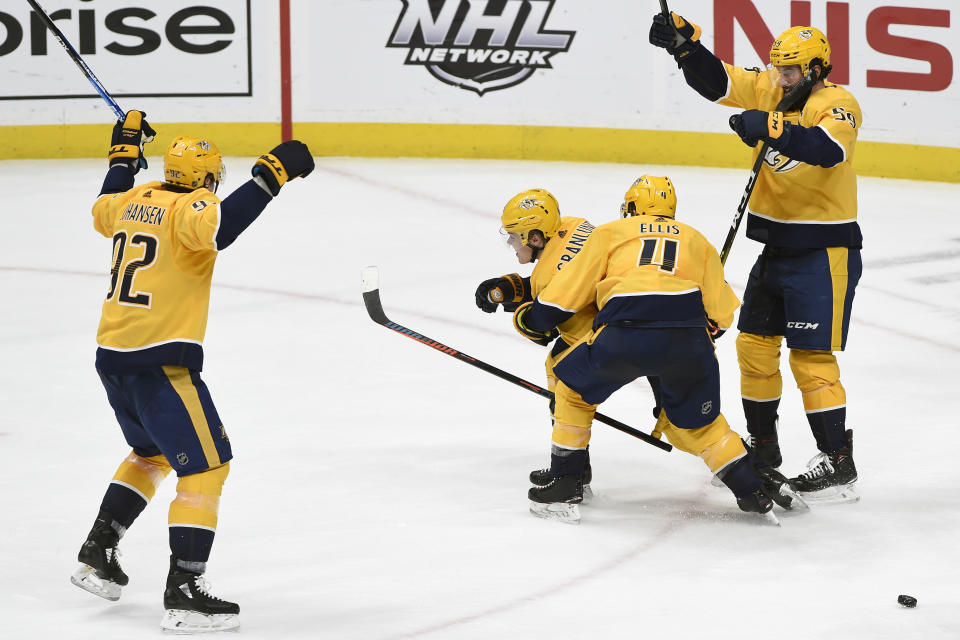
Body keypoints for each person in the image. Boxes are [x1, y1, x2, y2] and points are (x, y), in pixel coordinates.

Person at [70, 110, 314, 632]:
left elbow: (101, 206)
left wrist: (124, 153)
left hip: (113, 357)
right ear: (205, 178)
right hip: (160, 364)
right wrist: (274, 172)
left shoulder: (132, 201)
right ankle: (185, 589)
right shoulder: (193, 207)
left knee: (150, 454)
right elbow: (220, 226)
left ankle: (99, 549)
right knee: (206, 469)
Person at [649, 15, 862, 502]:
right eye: (777, 69)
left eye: (790, 71)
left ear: (814, 69)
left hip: (823, 250)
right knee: (755, 348)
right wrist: (685, 48)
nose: (780, 78)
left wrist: (768, 125)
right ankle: (764, 450)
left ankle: (838, 461)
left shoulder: (839, 103)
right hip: (776, 248)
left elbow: (826, 151)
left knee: (811, 359)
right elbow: (719, 81)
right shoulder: (770, 85)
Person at [511, 175, 796, 524]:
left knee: (570, 390)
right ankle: (750, 488)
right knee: (702, 425)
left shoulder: (610, 233)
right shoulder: (697, 240)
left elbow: (562, 301)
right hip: (688, 340)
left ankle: (568, 481)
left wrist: (531, 317)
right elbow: (721, 317)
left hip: (624, 332)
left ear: (631, 207)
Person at [474, 189, 601, 497]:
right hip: (621, 317)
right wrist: (511, 286)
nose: (510, 242)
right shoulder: (573, 225)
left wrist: (521, 316)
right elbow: (559, 279)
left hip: (601, 336)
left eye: (515, 236)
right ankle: (574, 467)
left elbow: (542, 325)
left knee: (561, 371)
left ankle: (570, 473)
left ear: (535, 238)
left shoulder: (550, 273)